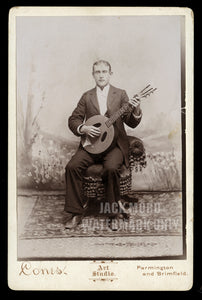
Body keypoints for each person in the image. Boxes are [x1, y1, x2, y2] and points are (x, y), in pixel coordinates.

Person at [64, 60, 142, 230]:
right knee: (72, 167)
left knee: (112, 168)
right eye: (97, 72)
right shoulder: (87, 96)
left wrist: (136, 109)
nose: (101, 75)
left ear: (110, 74)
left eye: (104, 72)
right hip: (92, 145)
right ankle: (75, 212)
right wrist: (83, 127)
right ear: (93, 75)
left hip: (114, 147)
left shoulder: (121, 94)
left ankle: (113, 213)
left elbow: (131, 122)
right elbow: (73, 119)